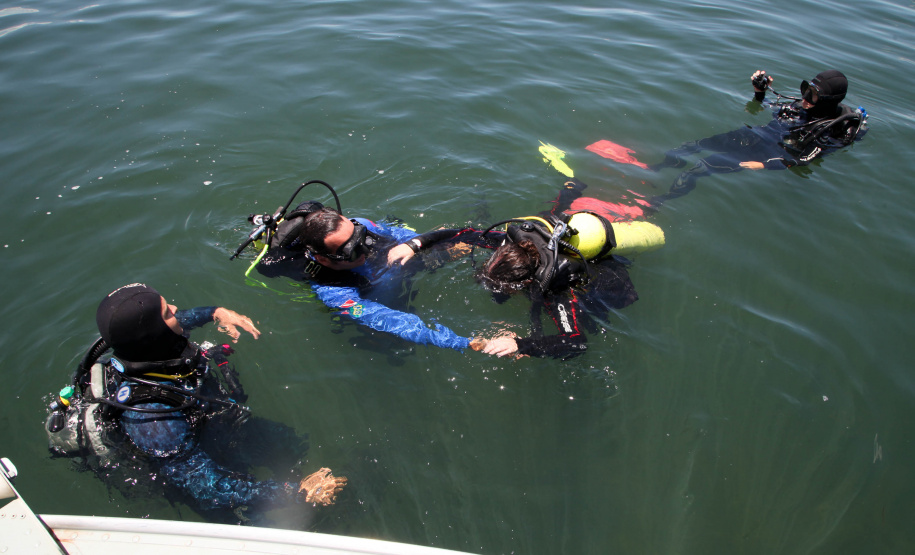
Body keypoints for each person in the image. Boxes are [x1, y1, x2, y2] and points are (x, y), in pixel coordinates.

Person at [46, 283, 346, 519]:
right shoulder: (151, 417)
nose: (176, 309)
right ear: (155, 332)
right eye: (166, 312)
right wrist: (296, 493)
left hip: (216, 423)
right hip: (199, 463)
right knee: (264, 519)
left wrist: (216, 312)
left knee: (292, 443)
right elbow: (204, 485)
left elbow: (183, 319)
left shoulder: (151, 345)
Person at [250, 193, 480, 352]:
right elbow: (386, 320)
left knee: (460, 244)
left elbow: (394, 234)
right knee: (391, 343)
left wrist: (411, 244)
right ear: (323, 259)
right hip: (377, 294)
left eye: (360, 237)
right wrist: (465, 342)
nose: (365, 249)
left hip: (397, 267)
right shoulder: (334, 291)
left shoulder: (360, 224)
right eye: (351, 251)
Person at [470, 178, 665, 359]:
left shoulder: (557, 292)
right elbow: (463, 235)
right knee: (551, 217)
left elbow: (576, 342)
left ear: (528, 281)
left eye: (507, 289)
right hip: (564, 233)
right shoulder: (516, 244)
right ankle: (572, 187)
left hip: (606, 276)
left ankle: (574, 189)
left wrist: (520, 345)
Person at [625, 69, 867, 206]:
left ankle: (659, 201)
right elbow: (771, 109)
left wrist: (765, 165)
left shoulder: (831, 129)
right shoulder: (801, 106)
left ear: (827, 102)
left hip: (769, 151)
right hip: (753, 135)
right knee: (692, 146)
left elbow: (806, 158)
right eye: (806, 90)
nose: (804, 98)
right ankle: (655, 169)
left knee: (701, 166)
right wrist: (759, 93)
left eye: (812, 96)